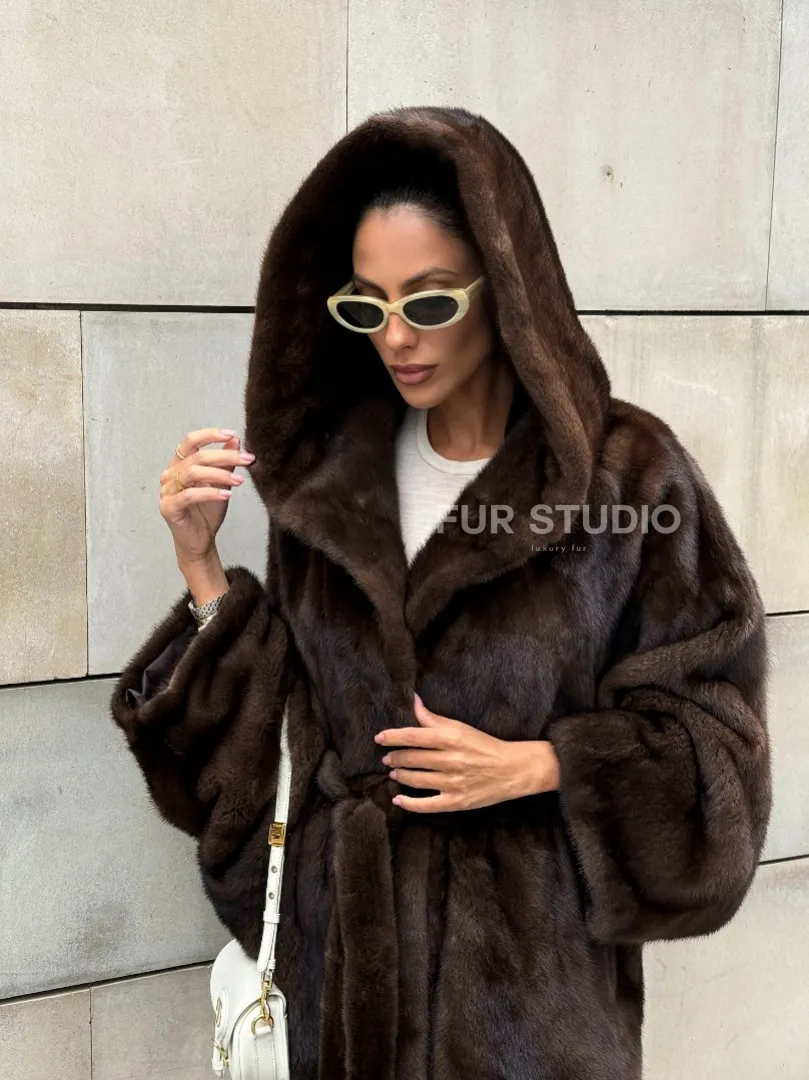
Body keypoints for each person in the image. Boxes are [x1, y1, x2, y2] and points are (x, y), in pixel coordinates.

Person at [110, 105, 772, 1080]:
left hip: (528, 1010)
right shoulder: (330, 482)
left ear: (504, 288)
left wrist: (542, 765)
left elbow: (717, 749)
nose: (394, 338)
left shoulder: (624, 478)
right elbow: (280, 742)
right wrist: (201, 566)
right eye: (364, 307)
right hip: (345, 997)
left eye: (426, 305)